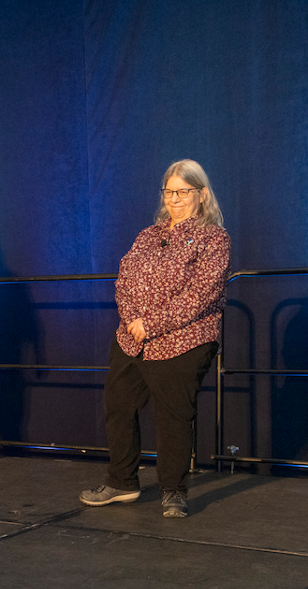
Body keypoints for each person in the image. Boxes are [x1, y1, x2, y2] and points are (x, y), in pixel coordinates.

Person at [79, 159, 230, 518]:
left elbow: (202, 293)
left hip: (184, 339)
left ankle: (173, 491)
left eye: (183, 191)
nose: (175, 198)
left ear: (202, 194)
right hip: (133, 337)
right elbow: (124, 280)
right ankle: (122, 483)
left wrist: (154, 322)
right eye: (169, 191)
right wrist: (133, 320)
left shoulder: (213, 238)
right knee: (118, 406)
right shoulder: (148, 235)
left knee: (173, 417)